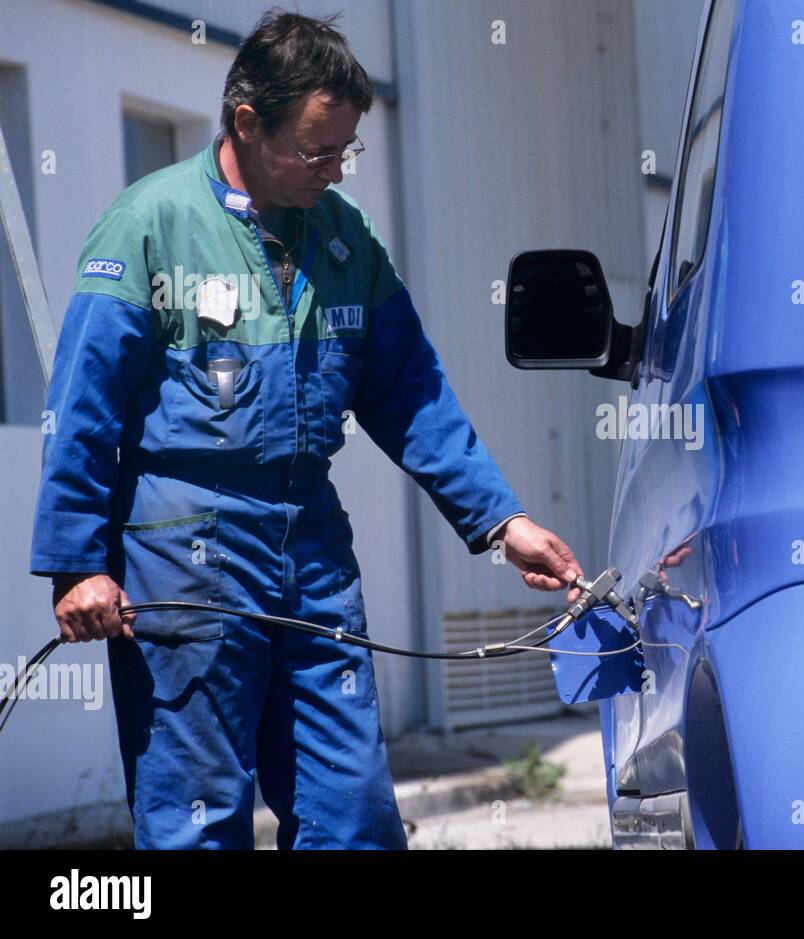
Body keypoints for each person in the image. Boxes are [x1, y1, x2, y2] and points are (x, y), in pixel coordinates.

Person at [28, 9, 583, 849]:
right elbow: (82, 411)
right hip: (185, 553)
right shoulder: (148, 226)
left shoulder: (344, 236)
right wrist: (76, 564)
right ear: (247, 123)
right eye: (317, 150)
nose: (333, 170)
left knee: (354, 812)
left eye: (345, 151)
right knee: (197, 819)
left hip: (312, 550)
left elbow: (412, 393)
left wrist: (503, 522)